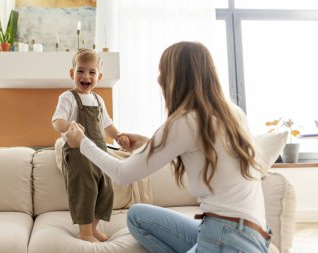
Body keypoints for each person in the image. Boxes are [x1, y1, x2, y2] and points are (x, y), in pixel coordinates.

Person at [65, 42, 272, 252]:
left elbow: (122, 173)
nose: (159, 79)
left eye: (163, 71)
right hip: (250, 236)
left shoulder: (184, 122)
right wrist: (148, 143)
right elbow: (199, 153)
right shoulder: (234, 113)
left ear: (177, 77)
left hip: (225, 240)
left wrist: (82, 142)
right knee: (137, 216)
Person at [52, 49, 130, 243]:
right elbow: (57, 120)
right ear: (72, 74)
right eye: (80, 71)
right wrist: (68, 126)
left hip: (98, 153)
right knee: (85, 189)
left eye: (92, 72)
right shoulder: (68, 97)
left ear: (99, 77)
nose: (86, 76)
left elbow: (107, 125)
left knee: (106, 189)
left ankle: (93, 228)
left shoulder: (98, 100)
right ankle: (84, 232)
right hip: (78, 153)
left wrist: (119, 136)